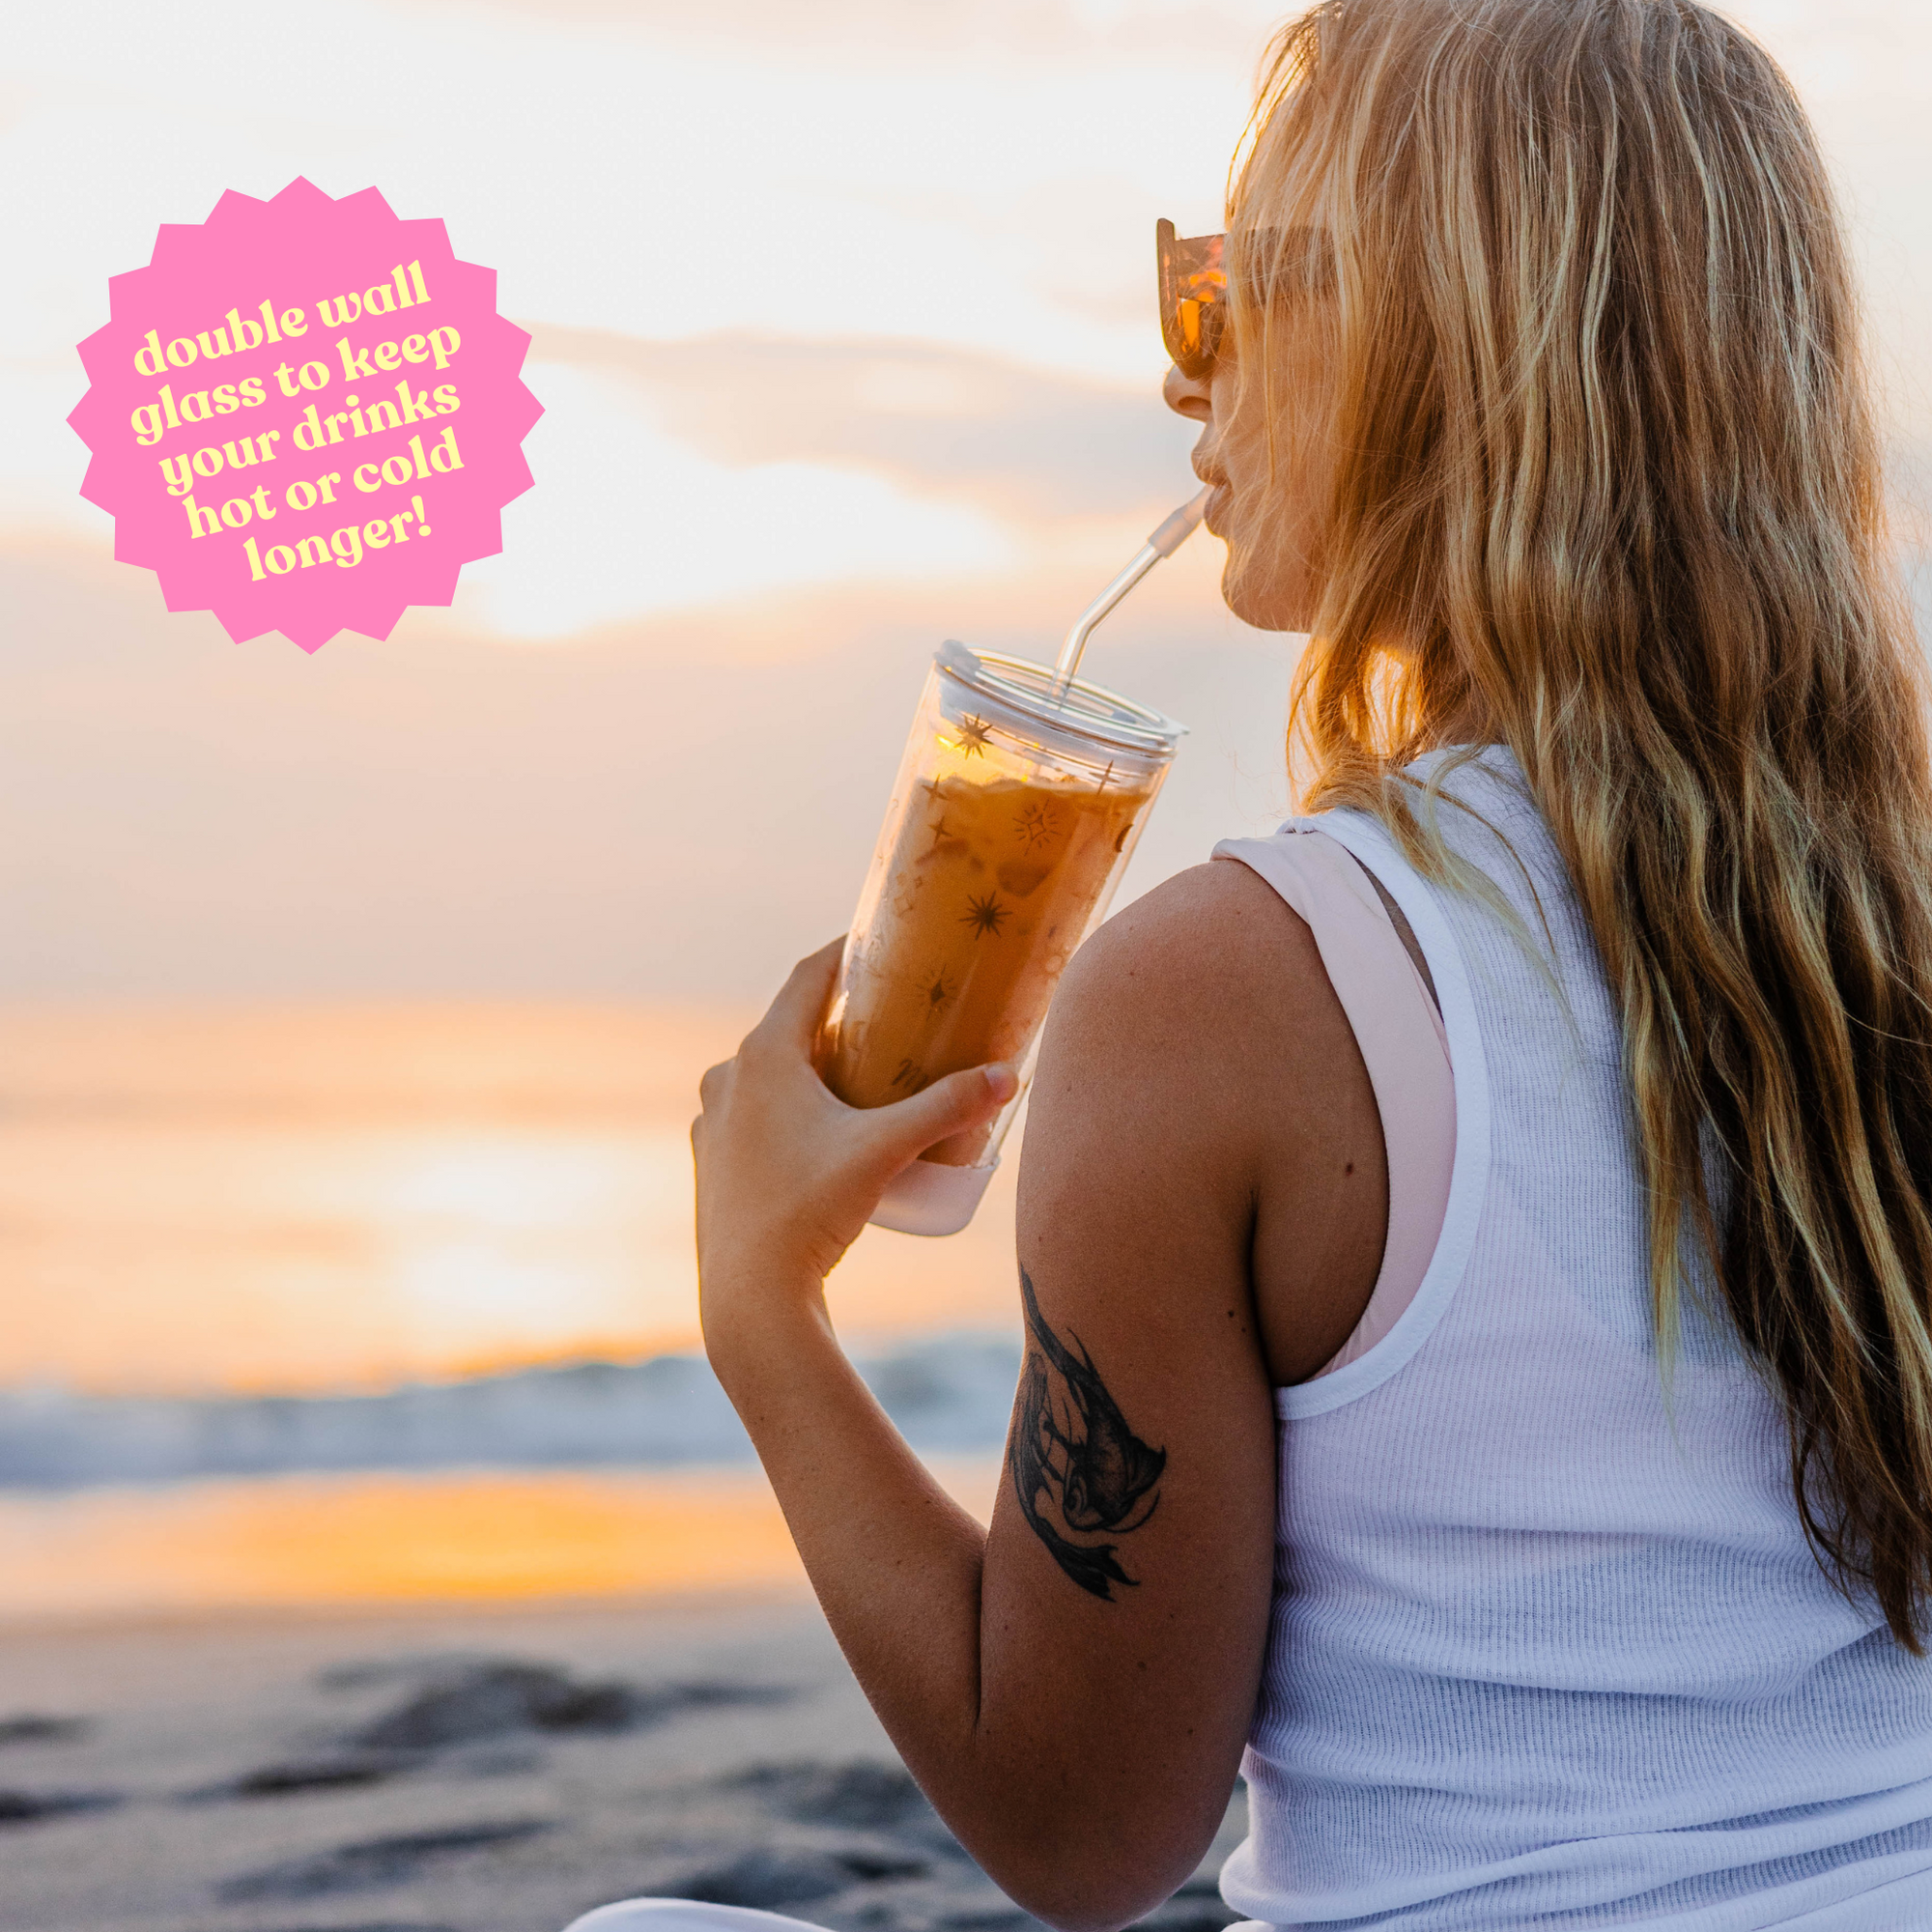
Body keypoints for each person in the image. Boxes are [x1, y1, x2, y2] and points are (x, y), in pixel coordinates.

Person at [571, 1, 1932, 1925]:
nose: (1179, 380)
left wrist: (758, 1312)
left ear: (1434, 346)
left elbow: (1085, 1833)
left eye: (1222, 293)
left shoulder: (1233, 991)